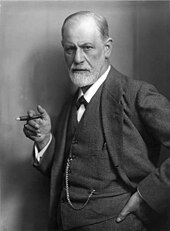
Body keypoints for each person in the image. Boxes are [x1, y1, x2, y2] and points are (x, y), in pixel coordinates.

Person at [23, 11, 170, 231]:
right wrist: (44, 140)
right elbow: (67, 169)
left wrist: (144, 197)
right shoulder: (71, 104)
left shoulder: (137, 94)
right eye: (70, 49)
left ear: (107, 48)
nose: (78, 59)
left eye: (87, 47)